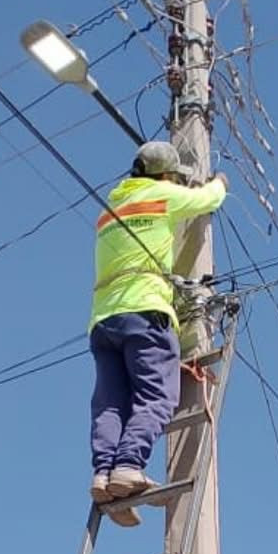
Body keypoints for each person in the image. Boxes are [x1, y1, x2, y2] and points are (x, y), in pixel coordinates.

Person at [89, 141, 228, 526]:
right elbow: (208, 200)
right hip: (145, 310)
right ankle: (128, 466)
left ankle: (105, 475)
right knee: (157, 395)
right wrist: (219, 181)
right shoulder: (162, 195)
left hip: (103, 319)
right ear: (165, 174)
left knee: (111, 402)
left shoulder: (110, 208)